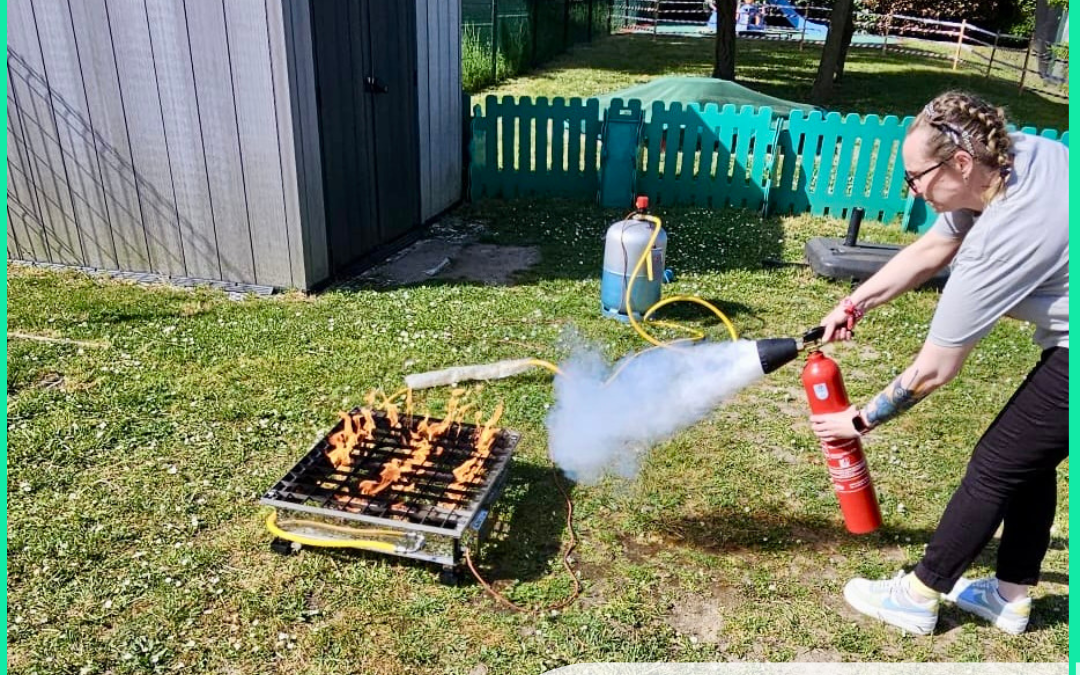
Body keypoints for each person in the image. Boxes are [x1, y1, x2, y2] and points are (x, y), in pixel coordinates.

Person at [809, 91, 1068, 636]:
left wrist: (858, 420)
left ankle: (919, 595)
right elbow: (931, 249)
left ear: (961, 163)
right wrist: (855, 303)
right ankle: (1009, 595)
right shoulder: (1016, 156)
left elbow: (933, 370)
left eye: (916, 178)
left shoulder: (1000, 239)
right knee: (1028, 457)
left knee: (995, 464)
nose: (913, 190)